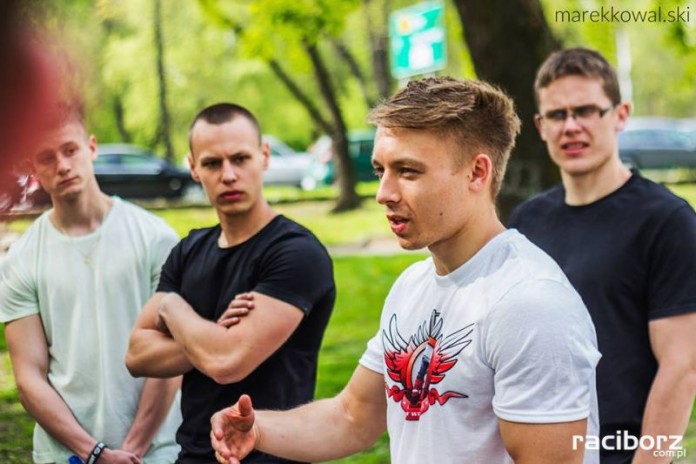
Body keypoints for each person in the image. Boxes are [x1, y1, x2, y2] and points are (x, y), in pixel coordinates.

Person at [209, 77, 602, 464]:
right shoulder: (412, 285)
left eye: (408, 171)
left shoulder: (530, 302)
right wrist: (258, 430)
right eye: (381, 170)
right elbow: (353, 416)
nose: (384, 193)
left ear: (477, 173)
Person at [508, 47, 696, 464]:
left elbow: (683, 369)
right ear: (540, 125)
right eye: (557, 115)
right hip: (536, 446)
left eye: (587, 110)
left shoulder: (667, 220)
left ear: (621, 114)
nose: (571, 126)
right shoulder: (526, 221)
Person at [125, 103, 336, 463]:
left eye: (240, 159)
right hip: (192, 453)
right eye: (211, 163)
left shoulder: (296, 253)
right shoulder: (188, 250)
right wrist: (212, 335)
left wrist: (171, 308)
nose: (228, 175)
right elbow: (136, 355)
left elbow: (227, 362)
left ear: (264, 156)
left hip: (272, 455)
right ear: (193, 167)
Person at [0, 99, 182, 463]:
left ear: (92, 148)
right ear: (32, 167)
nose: (63, 165)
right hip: (65, 454)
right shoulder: (20, 259)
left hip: (156, 451)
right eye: (47, 157)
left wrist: (132, 450)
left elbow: (170, 358)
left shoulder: (154, 237)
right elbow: (29, 377)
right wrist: (95, 454)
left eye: (71, 150)